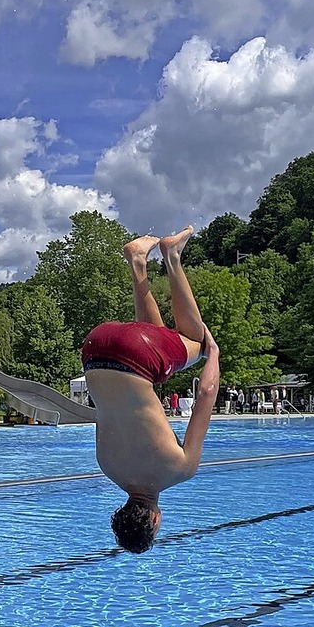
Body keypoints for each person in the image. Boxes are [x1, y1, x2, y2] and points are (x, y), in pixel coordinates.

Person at [82, 227, 220, 553]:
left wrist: (212, 354)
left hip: (135, 356)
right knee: (160, 353)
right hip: (94, 350)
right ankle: (137, 263)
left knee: (196, 342)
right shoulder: (106, 465)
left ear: (155, 521)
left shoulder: (180, 468)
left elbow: (204, 393)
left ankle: (172, 256)